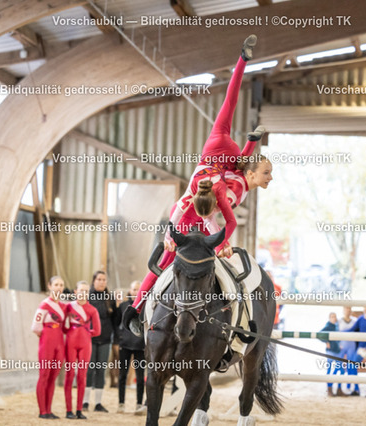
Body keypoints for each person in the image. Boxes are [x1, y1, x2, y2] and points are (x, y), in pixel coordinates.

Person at [123, 35, 273, 332]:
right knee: (181, 261)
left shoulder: (219, 179)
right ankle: (138, 309)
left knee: (164, 262)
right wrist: (215, 242)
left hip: (209, 169)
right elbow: (221, 208)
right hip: (196, 207)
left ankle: (137, 309)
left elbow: (237, 166)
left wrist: (251, 144)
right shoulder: (223, 190)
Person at [83, 271, 120, 412]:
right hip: (89, 339)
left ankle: (98, 403)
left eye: (104, 280)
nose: (102, 282)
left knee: (101, 370)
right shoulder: (87, 296)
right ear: (94, 281)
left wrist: (116, 339)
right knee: (89, 370)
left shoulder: (109, 298)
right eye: (99, 279)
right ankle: (85, 401)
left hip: (105, 339)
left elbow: (115, 321)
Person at [31, 276, 67, 419]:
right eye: (56, 284)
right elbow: (35, 327)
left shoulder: (63, 306)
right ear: (49, 286)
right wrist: (46, 336)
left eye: (61, 285)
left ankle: (49, 409)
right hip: (47, 340)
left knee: (53, 376)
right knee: (44, 374)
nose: (59, 287)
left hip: (59, 340)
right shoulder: (44, 305)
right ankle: (42, 411)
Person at [64, 281, 101, 419]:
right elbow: (63, 326)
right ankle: (69, 410)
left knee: (82, 376)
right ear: (75, 292)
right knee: (69, 375)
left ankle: (79, 410)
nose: (83, 293)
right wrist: (75, 331)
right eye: (81, 290)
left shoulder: (92, 310)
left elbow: (97, 331)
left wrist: (84, 332)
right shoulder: (68, 307)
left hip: (85, 345)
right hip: (70, 344)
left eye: (86, 291)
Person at [117, 281, 146, 415]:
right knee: (122, 375)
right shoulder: (123, 306)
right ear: (130, 290)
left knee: (140, 377)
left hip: (140, 347)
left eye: (138, 289)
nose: (135, 292)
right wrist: (119, 338)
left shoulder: (145, 306)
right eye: (134, 289)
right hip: (125, 346)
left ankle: (139, 404)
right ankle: (121, 404)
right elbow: (116, 323)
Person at [346, 307, 366, 397]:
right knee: (352, 365)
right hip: (361, 347)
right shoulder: (360, 318)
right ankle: (356, 389)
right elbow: (352, 328)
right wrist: (340, 332)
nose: (365, 308)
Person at [319, 312, 341, 397]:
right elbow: (319, 335)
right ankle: (329, 389)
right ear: (329, 318)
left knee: (339, 369)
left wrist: (339, 344)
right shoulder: (328, 326)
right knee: (330, 369)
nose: (334, 318)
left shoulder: (336, 326)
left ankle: (337, 389)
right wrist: (326, 342)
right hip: (330, 351)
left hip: (337, 350)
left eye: (335, 317)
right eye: (332, 317)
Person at [337, 307, 357, 396]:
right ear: (343, 311)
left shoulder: (355, 320)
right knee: (339, 366)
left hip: (351, 346)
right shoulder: (339, 321)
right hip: (342, 346)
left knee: (351, 367)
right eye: (346, 309)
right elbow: (336, 333)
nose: (348, 311)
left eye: (349, 309)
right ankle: (339, 387)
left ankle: (351, 388)